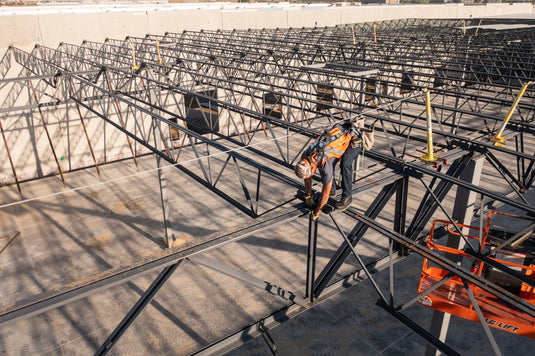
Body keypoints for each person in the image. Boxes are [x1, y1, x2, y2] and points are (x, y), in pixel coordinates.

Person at [294, 122, 362, 220]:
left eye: (311, 173)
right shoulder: (306, 155)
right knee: (327, 173)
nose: (310, 175)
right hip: (339, 137)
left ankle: (348, 196)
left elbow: (325, 195)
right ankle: (333, 190)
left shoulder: (325, 165)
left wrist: (316, 213)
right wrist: (308, 196)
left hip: (354, 140)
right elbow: (307, 176)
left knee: (345, 164)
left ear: (312, 167)